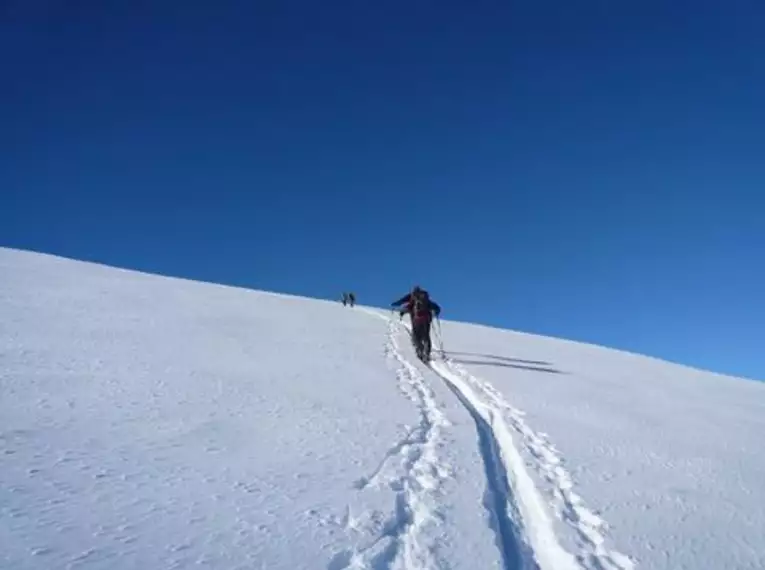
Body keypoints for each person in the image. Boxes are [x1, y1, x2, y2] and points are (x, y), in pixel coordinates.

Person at [391, 286, 441, 361]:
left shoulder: (412, 298)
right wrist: (436, 312)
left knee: (416, 336)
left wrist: (399, 310)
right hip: (427, 320)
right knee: (426, 336)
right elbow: (437, 307)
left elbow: (405, 305)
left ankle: (420, 350)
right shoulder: (426, 300)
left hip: (416, 320)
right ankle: (427, 353)